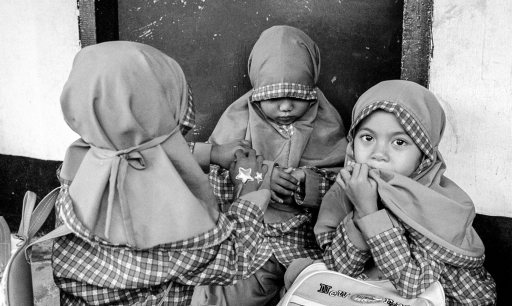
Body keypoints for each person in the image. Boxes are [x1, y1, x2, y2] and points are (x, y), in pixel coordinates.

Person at [52, 41, 273, 305]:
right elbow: (233, 259)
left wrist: (211, 154)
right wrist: (248, 189)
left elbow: (141, 150)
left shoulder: (84, 159)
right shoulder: (162, 228)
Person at [299, 80, 496, 305]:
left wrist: (368, 211)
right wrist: (359, 208)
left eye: (399, 142)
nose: (378, 154)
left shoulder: (434, 205)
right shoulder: (349, 188)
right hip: (379, 291)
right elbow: (341, 268)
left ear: (424, 156)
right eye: (368, 138)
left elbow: (412, 284)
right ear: (353, 144)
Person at [192, 25, 348, 306]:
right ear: (258, 94)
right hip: (250, 236)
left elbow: (345, 184)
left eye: (298, 97)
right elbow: (214, 178)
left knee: (316, 291)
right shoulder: (238, 122)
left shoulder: (327, 125)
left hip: (306, 239)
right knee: (232, 295)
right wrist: (262, 176)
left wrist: (305, 182)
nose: (286, 107)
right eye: (274, 98)